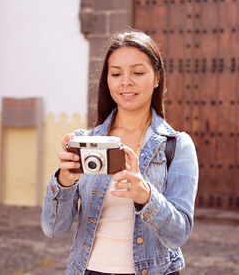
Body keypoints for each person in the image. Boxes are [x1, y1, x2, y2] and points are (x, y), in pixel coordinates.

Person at [41, 29, 199, 275]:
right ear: (108, 80)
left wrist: (145, 196)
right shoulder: (84, 142)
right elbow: (53, 229)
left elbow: (178, 234)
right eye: (116, 73)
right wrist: (64, 182)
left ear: (157, 77)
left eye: (137, 72)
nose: (126, 81)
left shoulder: (177, 146)